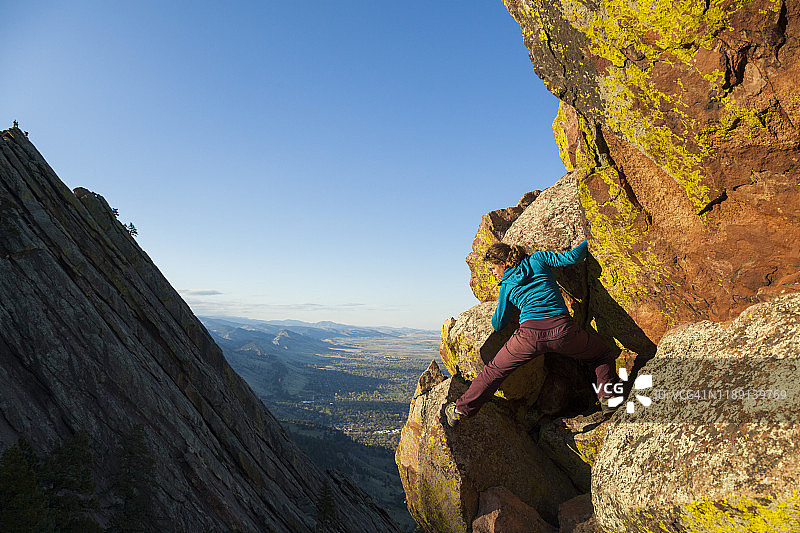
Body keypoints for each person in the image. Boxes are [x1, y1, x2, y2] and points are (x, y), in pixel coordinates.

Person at [444, 240, 619, 427]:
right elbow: (573, 257)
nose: (493, 273)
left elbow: (499, 324)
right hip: (562, 331)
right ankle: (608, 399)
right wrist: (590, 238)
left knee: (493, 372)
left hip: (529, 338)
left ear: (502, 264)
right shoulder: (538, 259)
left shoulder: (506, 286)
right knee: (602, 354)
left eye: (493, 268)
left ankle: (459, 410)